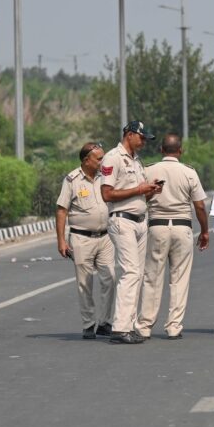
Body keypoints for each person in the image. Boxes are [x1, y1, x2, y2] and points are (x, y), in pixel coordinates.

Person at [135, 134, 209, 340]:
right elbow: (200, 206)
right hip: (182, 227)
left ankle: (144, 325)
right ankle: (174, 326)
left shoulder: (148, 170)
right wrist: (204, 231)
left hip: (157, 226)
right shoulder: (189, 172)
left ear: (161, 150)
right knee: (179, 278)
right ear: (180, 151)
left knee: (152, 277)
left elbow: (140, 197)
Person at [101, 120, 162, 344]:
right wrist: (139, 189)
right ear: (129, 135)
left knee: (137, 274)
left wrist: (151, 190)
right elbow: (107, 194)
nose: (144, 141)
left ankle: (128, 325)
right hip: (122, 221)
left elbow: (139, 194)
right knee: (131, 272)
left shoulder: (136, 160)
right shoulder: (113, 158)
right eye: (142, 137)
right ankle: (119, 328)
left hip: (139, 221)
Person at [55, 142, 116, 340]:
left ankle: (104, 323)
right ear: (86, 160)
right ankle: (89, 324)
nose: (102, 161)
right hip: (81, 238)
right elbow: (61, 210)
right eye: (99, 158)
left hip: (105, 237)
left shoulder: (105, 177)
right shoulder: (72, 180)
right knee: (85, 283)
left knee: (110, 279)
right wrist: (61, 241)